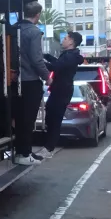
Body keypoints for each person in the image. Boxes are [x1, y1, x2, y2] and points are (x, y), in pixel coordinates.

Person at [12, 1, 49, 165]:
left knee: (19, 118)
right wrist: (47, 76)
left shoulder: (13, 29)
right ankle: (24, 153)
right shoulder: (34, 32)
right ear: (37, 15)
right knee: (28, 119)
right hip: (30, 81)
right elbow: (36, 59)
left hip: (13, 80)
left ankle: (23, 151)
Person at [38, 31, 83, 159]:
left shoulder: (71, 56)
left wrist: (37, 61)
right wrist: (45, 55)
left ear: (71, 42)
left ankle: (49, 148)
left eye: (65, 38)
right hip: (59, 89)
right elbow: (57, 63)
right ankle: (48, 146)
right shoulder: (69, 55)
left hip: (62, 91)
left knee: (55, 119)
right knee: (50, 116)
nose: (63, 40)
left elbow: (56, 67)